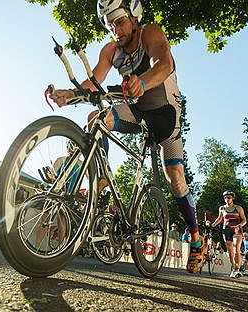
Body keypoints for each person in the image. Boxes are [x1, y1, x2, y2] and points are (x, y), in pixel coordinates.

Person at [49, 0, 205, 274]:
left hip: (166, 112)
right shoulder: (110, 50)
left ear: (134, 17)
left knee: (175, 177)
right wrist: (70, 94)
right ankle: (99, 177)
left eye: (119, 22)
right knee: (96, 119)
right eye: (109, 25)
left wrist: (143, 82)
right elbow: (94, 83)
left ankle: (195, 237)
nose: (115, 30)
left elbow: (164, 63)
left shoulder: (150, 33)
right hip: (136, 110)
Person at [211, 190, 247, 278]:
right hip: (226, 230)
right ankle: (234, 268)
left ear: (232, 199)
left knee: (236, 248)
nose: (227, 199)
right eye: (226, 198)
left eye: (229, 197)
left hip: (236, 229)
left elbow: (244, 220)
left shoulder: (238, 208)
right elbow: (219, 218)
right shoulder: (222, 208)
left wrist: (239, 225)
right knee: (230, 250)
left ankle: (238, 268)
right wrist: (213, 224)